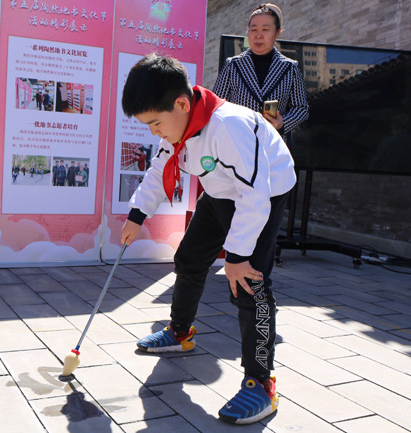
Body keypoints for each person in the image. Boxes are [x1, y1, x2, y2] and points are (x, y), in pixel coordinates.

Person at [120, 53, 296, 425]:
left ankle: (261, 383)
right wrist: (138, 214)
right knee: (189, 258)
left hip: (264, 192)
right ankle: (180, 332)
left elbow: (254, 196)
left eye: (154, 122)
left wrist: (236, 255)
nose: (153, 131)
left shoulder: (228, 126)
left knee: (249, 283)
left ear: (181, 104)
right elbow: (159, 168)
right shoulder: (180, 123)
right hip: (221, 191)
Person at [212, 3, 308, 138]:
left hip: (272, 144)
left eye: (266, 29)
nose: (258, 35)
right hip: (237, 142)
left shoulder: (290, 68)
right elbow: (215, 104)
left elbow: (301, 108)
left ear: (277, 32)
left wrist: (282, 123)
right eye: (254, 29)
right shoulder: (233, 65)